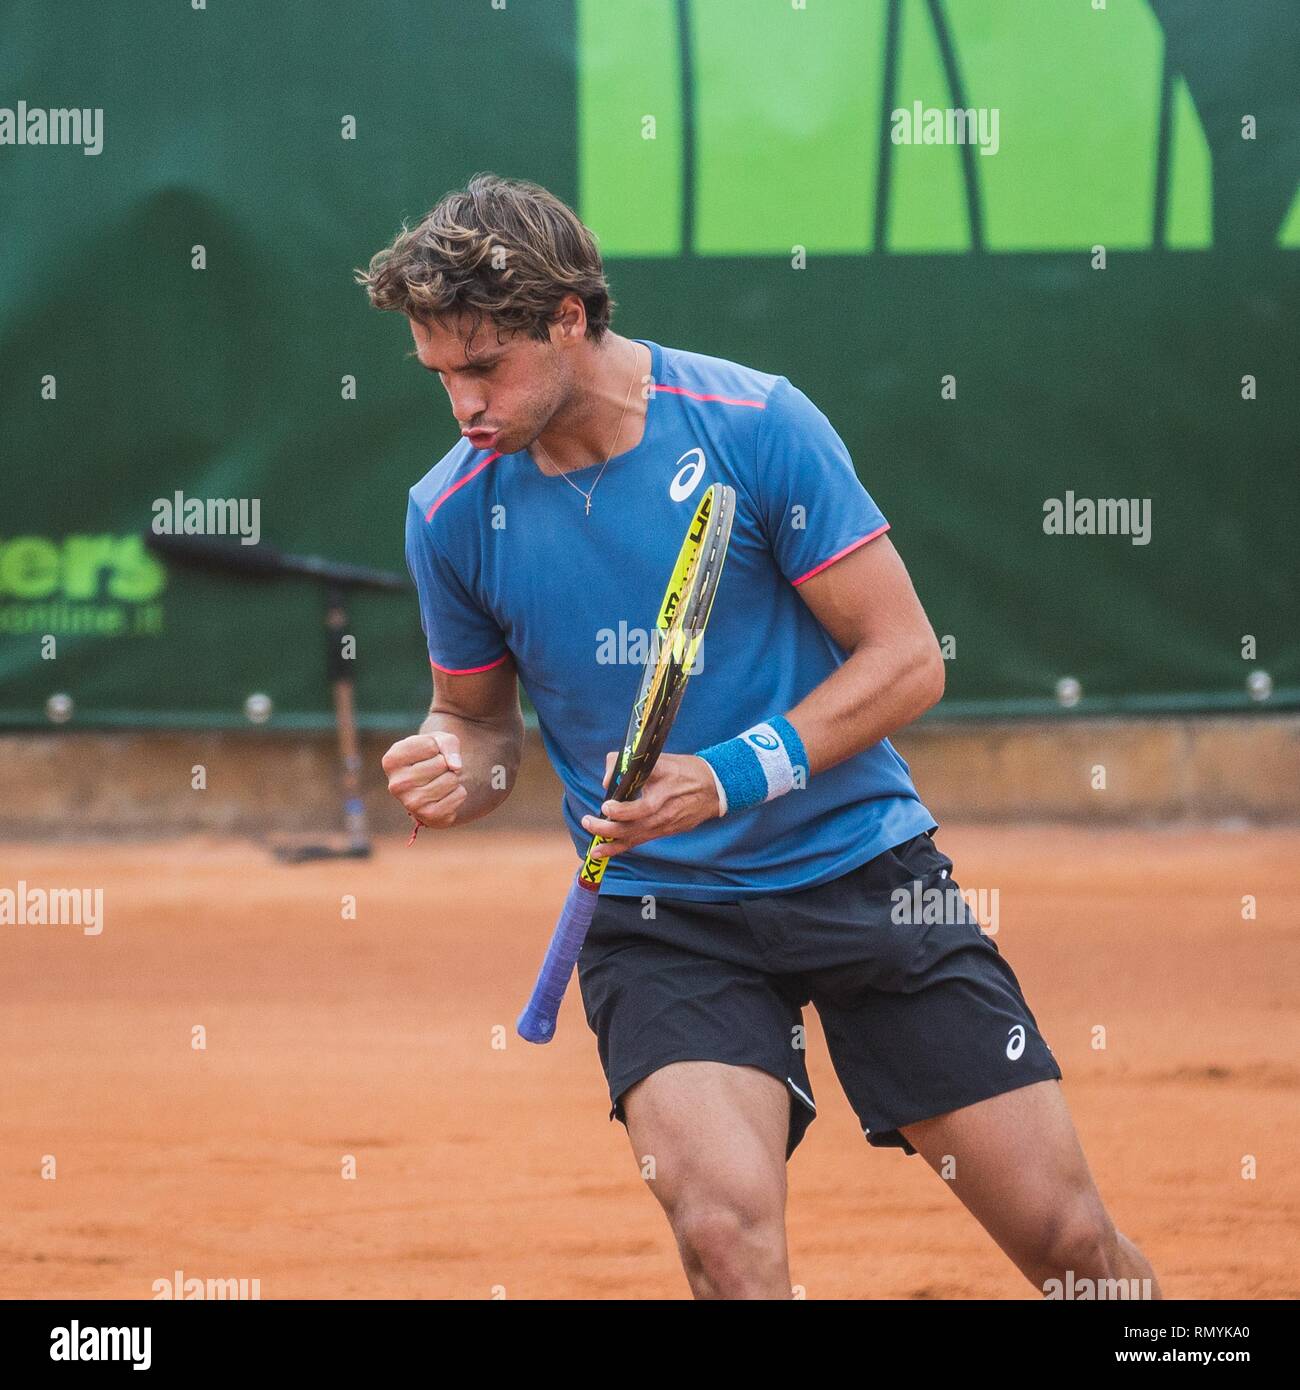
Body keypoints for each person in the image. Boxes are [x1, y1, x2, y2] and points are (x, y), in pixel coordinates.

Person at [358, 173, 1160, 1301]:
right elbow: (477, 723)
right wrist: (452, 765)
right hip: (661, 916)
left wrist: (728, 777)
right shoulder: (449, 512)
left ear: (572, 318)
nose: (463, 406)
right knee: (724, 1242)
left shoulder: (754, 424)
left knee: (1071, 1247)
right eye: (440, 375)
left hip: (860, 870)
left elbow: (907, 659)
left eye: (484, 367)